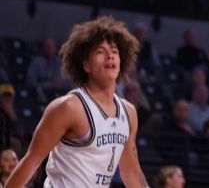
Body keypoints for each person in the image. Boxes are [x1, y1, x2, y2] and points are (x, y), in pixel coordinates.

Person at [4, 17, 148, 187]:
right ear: (86, 65)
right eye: (100, 51)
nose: (110, 56)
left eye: (114, 51)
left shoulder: (128, 112)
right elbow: (31, 161)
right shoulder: (69, 107)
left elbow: (131, 171)